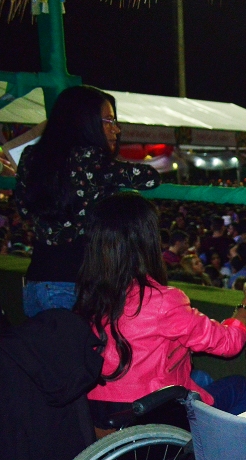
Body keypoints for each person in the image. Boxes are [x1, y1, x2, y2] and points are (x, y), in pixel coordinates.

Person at [76, 193, 246, 428]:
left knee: (201, 378)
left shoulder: (87, 296)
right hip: (154, 415)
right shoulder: (162, 301)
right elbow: (228, 343)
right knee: (240, 385)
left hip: (102, 416)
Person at [15, 86, 161, 317]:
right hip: (71, 288)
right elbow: (150, 178)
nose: (116, 129)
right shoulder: (89, 160)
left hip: (36, 282)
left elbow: (24, 210)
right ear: (85, 122)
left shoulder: (31, 157)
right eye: (108, 121)